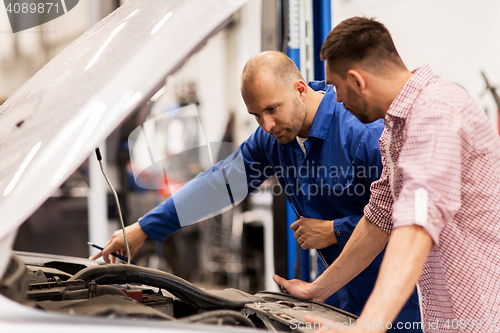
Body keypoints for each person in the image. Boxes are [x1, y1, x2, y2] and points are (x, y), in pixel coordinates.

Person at [91, 51, 420, 330]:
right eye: (256, 115)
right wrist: (144, 228)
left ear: (300, 89)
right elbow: (219, 185)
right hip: (334, 292)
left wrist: (336, 230)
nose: (267, 125)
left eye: (272, 109)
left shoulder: (364, 133)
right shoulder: (274, 140)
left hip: (403, 299)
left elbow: (414, 224)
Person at [273, 17, 500, 333]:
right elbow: (379, 219)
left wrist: (366, 327)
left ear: (358, 80)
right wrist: (316, 290)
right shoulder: (396, 130)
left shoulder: (437, 111)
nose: (335, 99)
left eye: (337, 88)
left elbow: (416, 224)